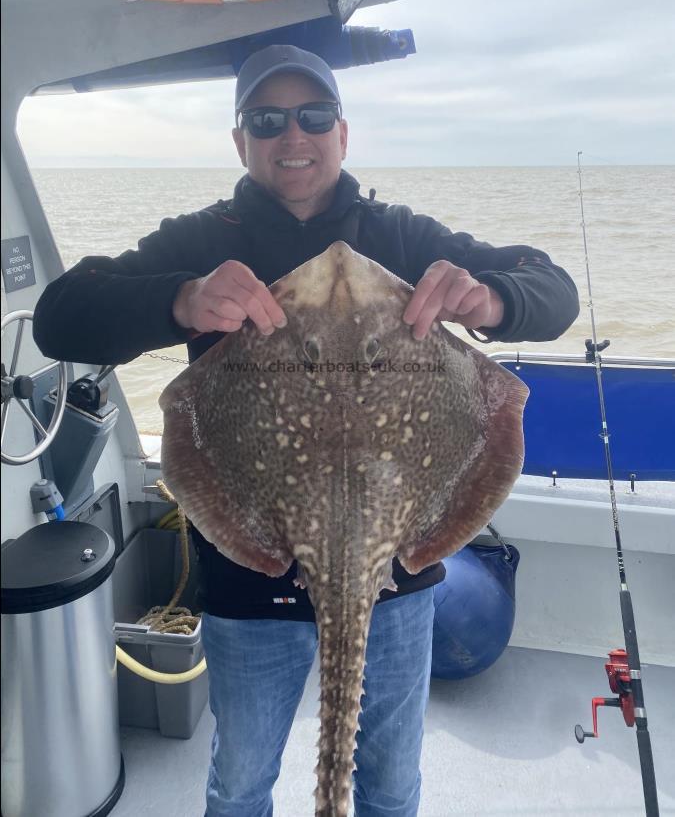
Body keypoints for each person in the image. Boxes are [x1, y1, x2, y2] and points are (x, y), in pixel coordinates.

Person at [33, 44, 579, 817]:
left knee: (389, 783)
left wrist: (488, 298)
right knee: (240, 781)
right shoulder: (199, 240)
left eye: (313, 116)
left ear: (342, 133)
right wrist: (181, 299)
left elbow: (552, 289)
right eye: (267, 119)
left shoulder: (402, 237)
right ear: (240, 141)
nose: (293, 136)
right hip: (247, 584)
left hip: (395, 577)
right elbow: (60, 317)